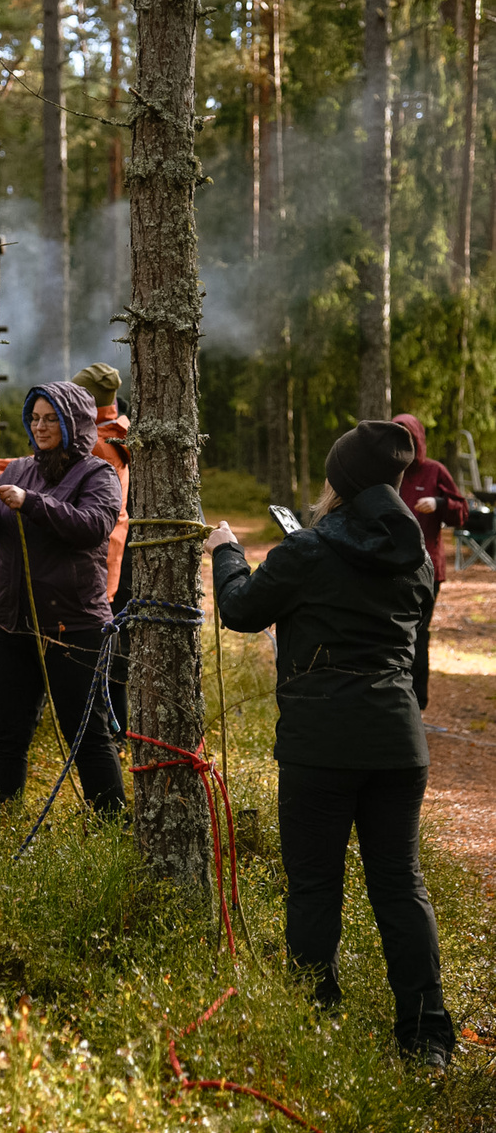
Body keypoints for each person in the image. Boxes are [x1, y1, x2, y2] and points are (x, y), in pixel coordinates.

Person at [204, 420, 455, 1071]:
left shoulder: (308, 550)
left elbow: (240, 609)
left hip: (320, 744)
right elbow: (413, 658)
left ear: (339, 482)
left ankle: (315, 1024)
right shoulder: (416, 558)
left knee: (314, 886)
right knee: (400, 885)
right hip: (399, 740)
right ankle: (427, 1037)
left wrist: (227, 551)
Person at [0, 381, 126, 813]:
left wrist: (31, 502)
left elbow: (92, 526)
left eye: (51, 419)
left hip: (75, 625)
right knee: (7, 730)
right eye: (35, 418)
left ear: (75, 423)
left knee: (86, 733)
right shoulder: (16, 470)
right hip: (13, 624)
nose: (41, 427)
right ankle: (5, 817)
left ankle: (110, 824)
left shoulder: (97, 473)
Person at [71, 363, 132, 747]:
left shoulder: (96, 444)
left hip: (100, 561)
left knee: (101, 653)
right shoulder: (116, 432)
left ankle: (108, 734)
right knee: (110, 648)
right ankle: (113, 730)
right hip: (114, 559)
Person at [392, 413, 468, 710]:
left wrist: (439, 503)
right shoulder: (387, 470)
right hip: (389, 567)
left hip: (427, 569)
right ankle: (394, 698)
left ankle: (416, 701)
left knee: (418, 633)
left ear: (418, 440)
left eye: (408, 438)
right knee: (392, 633)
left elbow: (462, 511)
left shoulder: (434, 471)